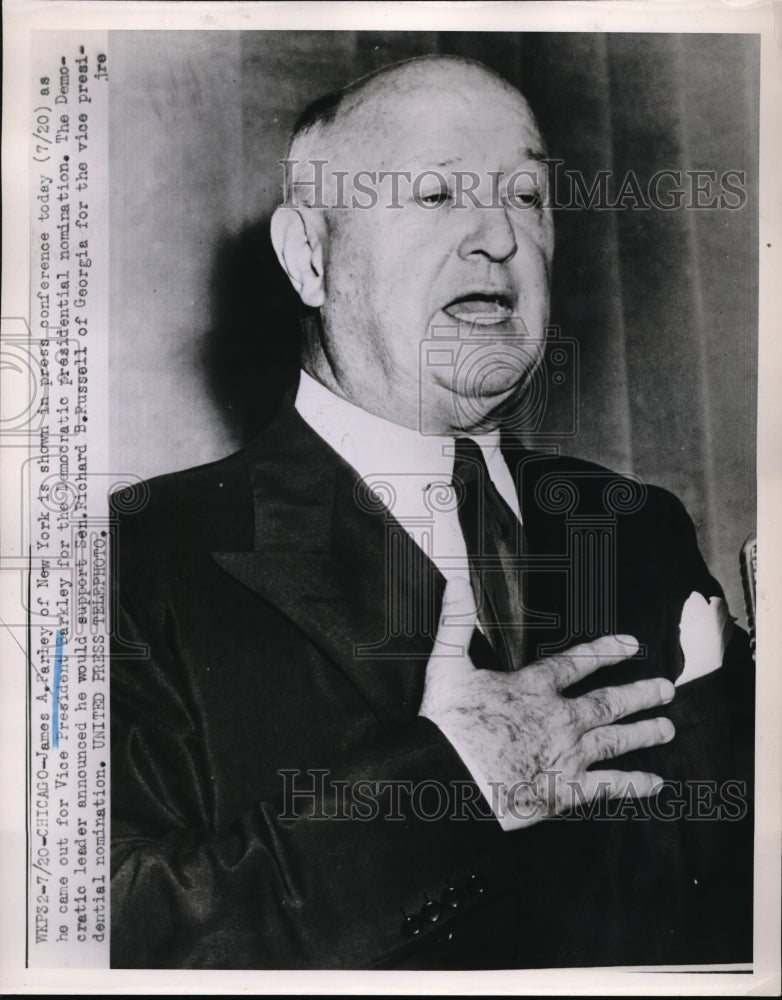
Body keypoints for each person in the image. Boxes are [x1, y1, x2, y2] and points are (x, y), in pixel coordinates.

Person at [110, 55, 754, 970]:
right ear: (309, 256)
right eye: (437, 192)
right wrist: (456, 786)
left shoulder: (636, 527)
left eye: (528, 195)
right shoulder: (132, 557)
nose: (498, 235)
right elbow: (95, 941)